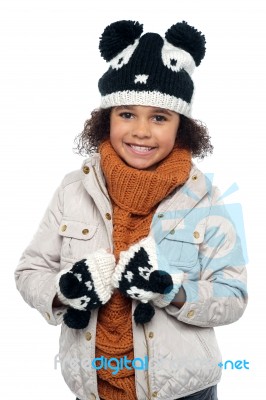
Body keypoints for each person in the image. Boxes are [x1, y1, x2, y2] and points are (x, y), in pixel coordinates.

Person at [14, 20, 248, 400]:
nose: (141, 130)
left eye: (159, 117)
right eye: (127, 114)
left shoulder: (207, 199)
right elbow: (30, 271)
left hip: (185, 391)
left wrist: (171, 290)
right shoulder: (73, 189)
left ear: (181, 126)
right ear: (106, 119)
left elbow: (234, 294)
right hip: (95, 388)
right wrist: (65, 290)